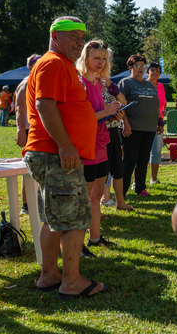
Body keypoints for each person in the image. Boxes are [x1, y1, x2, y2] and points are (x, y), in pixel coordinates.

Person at [22, 16, 108, 297]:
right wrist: (65, 145)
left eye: (82, 37)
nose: (79, 42)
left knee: (55, 219)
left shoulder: (60, 64)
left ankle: (49, 276)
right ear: (55, 36)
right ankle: (72, 282)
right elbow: (45, 105)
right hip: (56, 154)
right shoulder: (54, 63)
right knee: (75, 219)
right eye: (73, 36)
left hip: (52, 154)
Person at [76, 40, 122, 256]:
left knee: (95, 197)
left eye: (103, 58)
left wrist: (113, 114)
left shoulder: (97, 83)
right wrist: (107, 112)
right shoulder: (80, 83)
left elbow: (99, 114)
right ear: (85, 58)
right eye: (96, 58)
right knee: (83, 199)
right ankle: (77, 245)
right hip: (86, 146)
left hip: (101, 143)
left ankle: (95, 238)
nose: (101, 62)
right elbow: (81, 119)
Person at [119, 54, 162, 197]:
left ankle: (140, 188)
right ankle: (122, 191)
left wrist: (159, 122)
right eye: (137, 65)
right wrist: (125, 122)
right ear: (130, 67)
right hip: (132, 128)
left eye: (143, 65)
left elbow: (155, 104)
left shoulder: (149, 84)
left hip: (149, 127)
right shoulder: (125, 83)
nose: (140, 68)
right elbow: (120, 106)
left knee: (143, 159)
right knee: (130, 159)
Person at [98, 48, 134, 212]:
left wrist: (110, 85)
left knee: (118, 168)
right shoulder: (90, 83)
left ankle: (121, 202)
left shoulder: (109, 84)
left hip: (114, 131)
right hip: (99, 132)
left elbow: (123, 101)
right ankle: (98, 205)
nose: (107, 63)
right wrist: (109, 115)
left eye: (109, 60)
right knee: (101, 171)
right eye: (106, 59)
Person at [15, 54, 42, 216]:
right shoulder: (26, 83)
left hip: (38, 129)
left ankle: (35, 201)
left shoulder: (41, 82)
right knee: (29, 166)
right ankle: (26, 204)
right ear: (30, 67)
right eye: (37, 63)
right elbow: (19, 109)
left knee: (37, 166)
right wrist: (20, 131)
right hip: (28, 130)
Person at [147, 62, 166, 184]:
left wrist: (163, 111)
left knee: (156, 151)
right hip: (145, 122)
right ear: (147, 72)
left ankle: (153, 178)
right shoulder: (143, 85)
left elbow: (163, 102)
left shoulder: (161, 86)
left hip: (159, 123)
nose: (155, 73)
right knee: (142, 152)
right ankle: (136, 181)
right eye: (153, 70)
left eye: (158, 71)